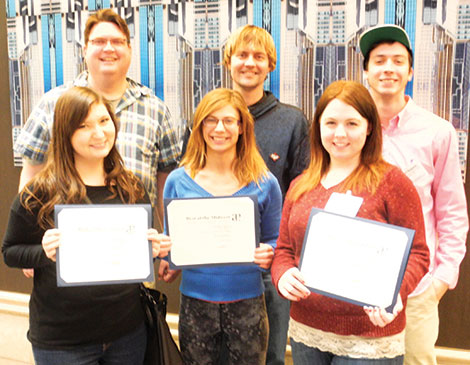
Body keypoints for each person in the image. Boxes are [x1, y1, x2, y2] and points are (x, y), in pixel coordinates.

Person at [2, 86, 171, 365]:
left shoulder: (130, 188)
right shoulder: (39, 193)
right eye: (84, 125)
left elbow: (133, 255)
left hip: (127, 333)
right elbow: (10, 251)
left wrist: (153, 249)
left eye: (104, 121)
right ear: (66, 134)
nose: (99, 133)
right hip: (62, 341)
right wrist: (43, 253)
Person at [271, 80, 430, 364]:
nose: (340, 134)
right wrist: (282, 274)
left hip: (370, 337)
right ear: (318, 127)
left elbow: (418, 254)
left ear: (369, 127)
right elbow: (284, 250)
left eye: (352, 124)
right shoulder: (300, 185)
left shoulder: (393, 183)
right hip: (307, 330)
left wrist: (395, 293)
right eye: (330, 122)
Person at [359, 25, 468, 365]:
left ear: (410, 72)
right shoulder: (348, 129)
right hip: (356, 282)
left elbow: (452, 211)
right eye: (378, 61)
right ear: (365, 71)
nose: (387, 68)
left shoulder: (437, 132)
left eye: (397, 61)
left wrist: (442, 278)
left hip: (417, 288)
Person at [14, 8, 181, 225]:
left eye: (118, 42)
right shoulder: (52, 103)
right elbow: (31, 175)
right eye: (99, 41)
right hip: (67, 242)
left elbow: (164, 180)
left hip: (133, 242)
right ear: (85, 49)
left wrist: (168, 242)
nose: (109, 48)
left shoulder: (155, 109)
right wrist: (36, 241)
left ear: (130, 49)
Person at [162, 88, 282, 364]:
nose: (220, 128)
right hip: (195, 304)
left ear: (242, 127)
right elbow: (172, 244)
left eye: (229, 121)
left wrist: (269, 252)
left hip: (248, 303)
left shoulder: (265, 183)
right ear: (199, 126)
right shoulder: (178, 181)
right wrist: (164, 250)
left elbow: (277, 240)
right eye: (210, 120)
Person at [222, 24, 309, 365]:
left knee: (270, 355)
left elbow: (303, 192)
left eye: (259, 56)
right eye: (242, 55)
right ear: (229, 61)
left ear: (270, 65)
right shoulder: (211, 117)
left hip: (271, 261)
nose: (250, 63)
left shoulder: (291, 121)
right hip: (218, 261)